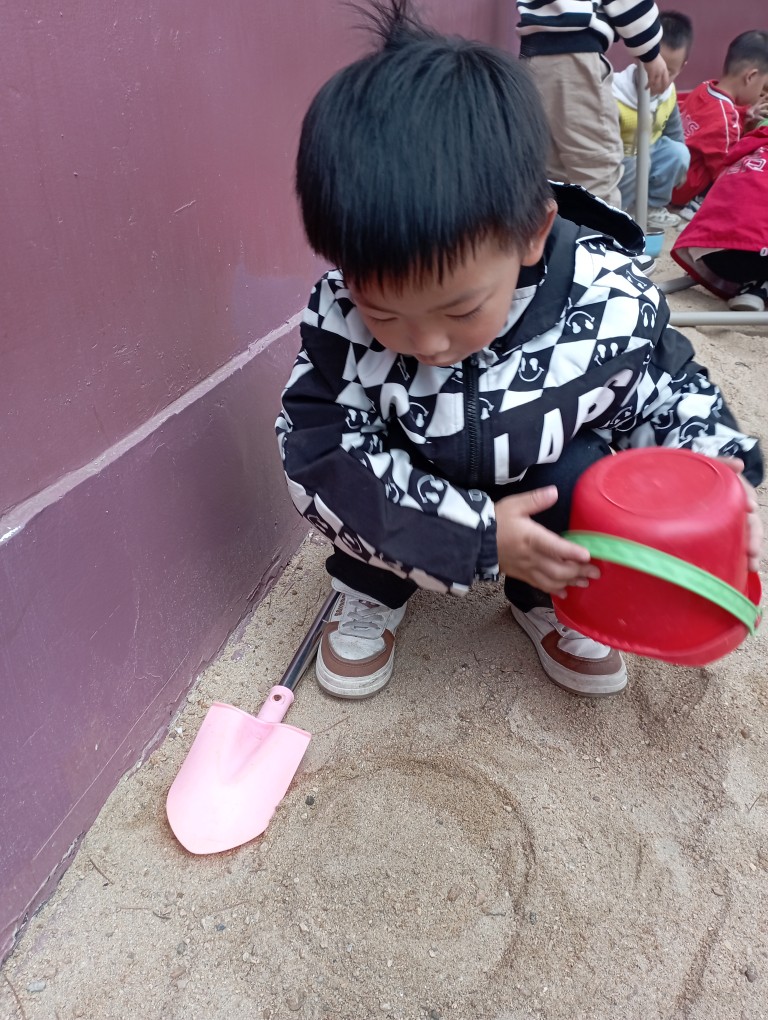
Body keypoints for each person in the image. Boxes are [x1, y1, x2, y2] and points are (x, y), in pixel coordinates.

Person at [276, 0, 763, 702]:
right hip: (414, 486)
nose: (428, 343)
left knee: (583, 474)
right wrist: (472, 536)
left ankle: (544, 594)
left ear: (533, 234)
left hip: (536, 470)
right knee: (359, 495)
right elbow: (319, 454)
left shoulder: (602, 298)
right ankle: (371, 590)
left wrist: (718, 476)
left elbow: (667, 390)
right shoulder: (340, 319)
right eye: (385, 312)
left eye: (460, 309)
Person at [515, 0, 670, 209]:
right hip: (575, 55)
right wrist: (650, 51)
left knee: (552, 170)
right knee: (596, 169)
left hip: (532, 59)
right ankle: (601, 228)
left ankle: (557, 228)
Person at [671, 119, 768, 311]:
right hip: (755, 256)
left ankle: (753, 287)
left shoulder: (750, 147)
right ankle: (757, 287)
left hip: (711, 257)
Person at [671, 30, 768, 219]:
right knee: (741, 167)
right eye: (763, 88)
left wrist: (744, 114)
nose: (761, 95)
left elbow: (714, 119)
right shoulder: (727, 122)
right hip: (683, 190)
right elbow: (725, 170)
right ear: (750, 77)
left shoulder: (705, 87)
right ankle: (698, 203)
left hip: (671, 175)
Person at [613, 11, 693, 229]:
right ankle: (620, 211)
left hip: (651, 152)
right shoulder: (616, 93)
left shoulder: (669, 94)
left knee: (678, 152)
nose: (660, 78)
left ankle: (652, 207)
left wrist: (682, 166)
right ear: (639, 57)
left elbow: (674, 132)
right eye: (654, 68)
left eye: (670, 72)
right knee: (637, 163)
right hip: (622, 161)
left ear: (682, 67)